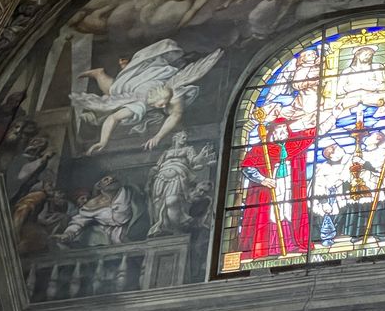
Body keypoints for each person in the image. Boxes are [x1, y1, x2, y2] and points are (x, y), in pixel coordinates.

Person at [71, 40, 222, 154]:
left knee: (113, 92)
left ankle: (103, 73)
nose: (164, 106)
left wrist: (158, 136)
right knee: (114, 90)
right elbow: (113, 118)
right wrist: (103, 141)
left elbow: (176, 115)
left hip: (156, 75)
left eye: (164, 103)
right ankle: (99, 73)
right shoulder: (140, 103)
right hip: (137, 82)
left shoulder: (171, 92)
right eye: (162, 104)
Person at [237, 117, 315, 260]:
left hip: (289, 183)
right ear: (272, 131)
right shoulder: (260, 149)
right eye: (280, 128)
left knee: (288, 211)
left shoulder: (293, 144)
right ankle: (272, 247)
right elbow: (247, 167)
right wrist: (263, 179)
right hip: (271, 185)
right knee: (272, 213)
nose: (284, 131)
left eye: (285, 128)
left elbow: (311, 134)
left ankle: (290, 244)